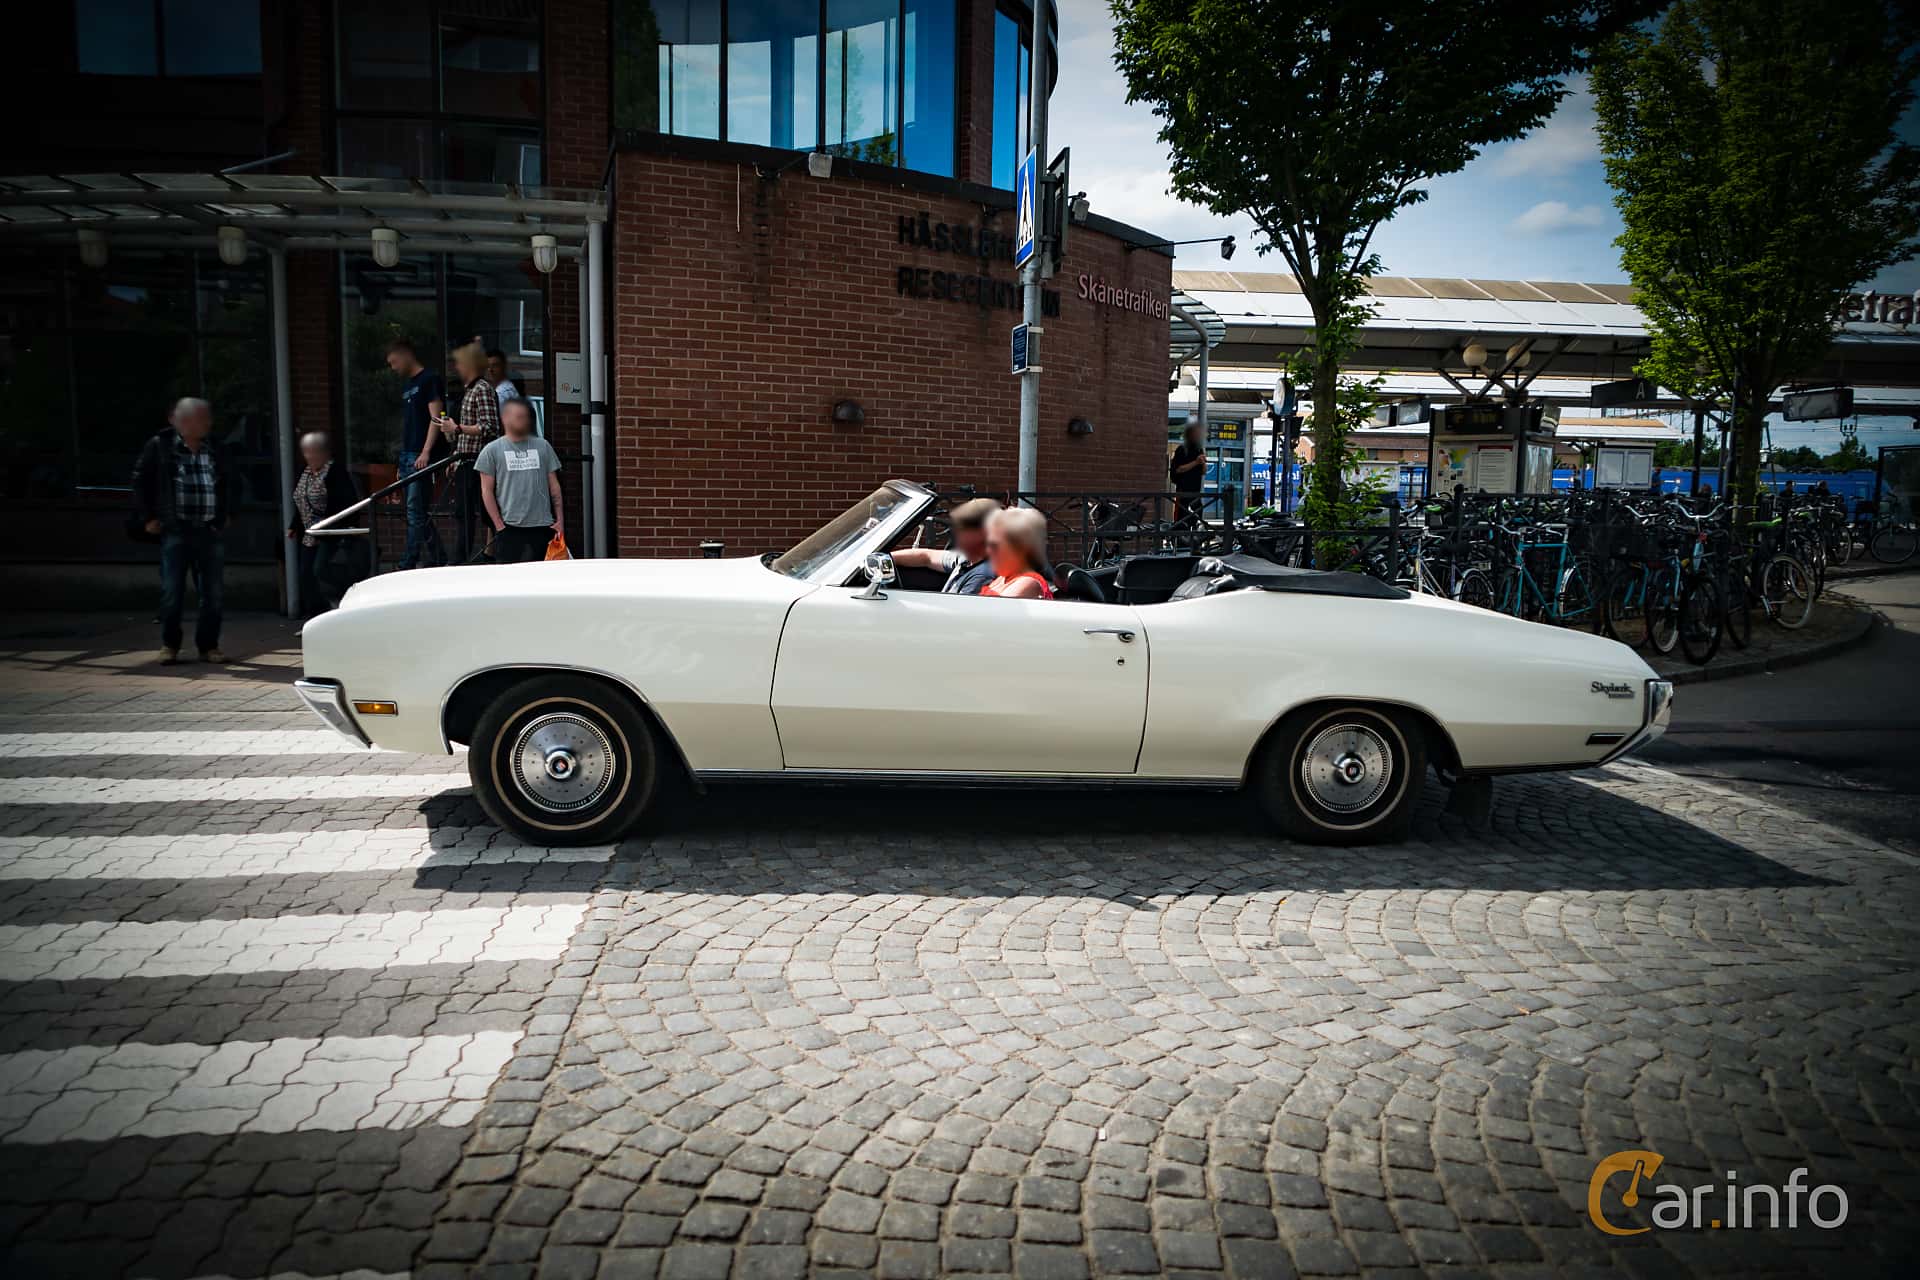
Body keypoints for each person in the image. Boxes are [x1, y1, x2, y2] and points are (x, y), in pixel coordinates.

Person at [132, 397, 235, 664]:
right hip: (176, 529)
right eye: (190, 419)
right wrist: (149, 518)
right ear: (175, 420)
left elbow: (232, 482)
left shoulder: (216, 448)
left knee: (213, 593)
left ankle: (209, 646)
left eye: (203, 418)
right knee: (172, 591)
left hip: (209, 529)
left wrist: (228, 515)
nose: (199, 424)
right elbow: (141, 481)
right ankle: (170, 645)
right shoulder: (161, 446)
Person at [477, 398, 564, 564]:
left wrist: (560, 521)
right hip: (510, 526)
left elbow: (554, 487)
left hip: (543, 525)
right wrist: (499, 525)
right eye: (517, 416)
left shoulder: (543, 446)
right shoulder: (491, 450)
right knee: (509, 578)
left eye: (524, 416)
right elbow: (486, 491)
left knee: (543, 577)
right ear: (505, 418)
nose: (522, 420)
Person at [386, 337, 447, 570]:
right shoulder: (408, 385)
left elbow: (437, 417)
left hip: (420, 454)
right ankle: (438, 556)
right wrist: (401, 463)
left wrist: (426, 451)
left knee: (415, 510)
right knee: (417, 511)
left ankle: (409, 561)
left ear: (405, 354)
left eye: (394, 362)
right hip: (408, 453)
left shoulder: (428, 380)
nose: (393, 368)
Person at [437, 342, 501, 559]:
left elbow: (490, 426)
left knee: (480, 514)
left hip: (478, 462)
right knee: (467, 513)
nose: (457, 368)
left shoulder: (482, 389)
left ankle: (468, 559)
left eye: (459, 363)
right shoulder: (470, 390)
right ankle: (481, 556)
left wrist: (457, 427)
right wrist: (454, 459)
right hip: (466, 461)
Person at [287, 432, 362, 616]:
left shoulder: (335, 472)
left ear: (325, 453)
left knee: (319, 569)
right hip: (309, 532)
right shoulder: (305, 473)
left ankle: (348, 592)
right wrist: (294, 525)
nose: (310, 457)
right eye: (307, 453)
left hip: (331, 531)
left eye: (315, 452)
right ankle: (316, 613)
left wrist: (328, 526)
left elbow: (344, 504)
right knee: (305, 574)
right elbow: (301, 500)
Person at [890, 497, 1001, 594]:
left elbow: (957, 614)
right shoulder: (967, 559)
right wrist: (888, 558)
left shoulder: (982, 575)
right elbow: (926, 557)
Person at [980, 507, 1054, 599]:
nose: (988, 550)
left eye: (995, 545)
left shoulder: (1028, 582)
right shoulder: (1002, 579)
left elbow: (994, 610)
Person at [1170, 418, 1206, 517]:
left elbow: (1203, 472)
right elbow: (1179, 469)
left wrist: (1203, 463)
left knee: (1197, 517)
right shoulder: (1181, 450)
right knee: (1182, 518)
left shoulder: (1199, 449)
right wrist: (1196, 462)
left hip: (1196, 492)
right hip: (1183, 492)